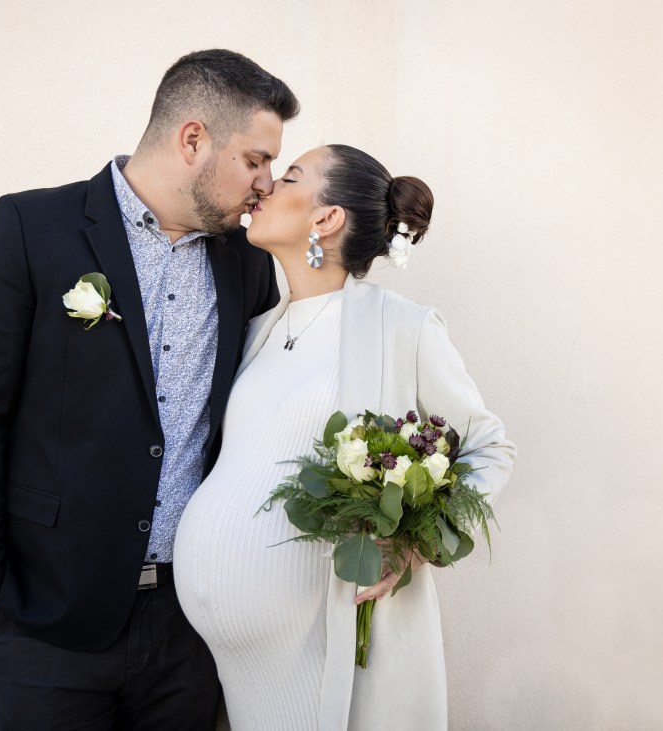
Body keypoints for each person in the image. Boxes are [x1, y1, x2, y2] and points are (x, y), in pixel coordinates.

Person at [0, 49, 299, 729]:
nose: (266, 184)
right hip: (43, 622)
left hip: (191, 628)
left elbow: (258, 422)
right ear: (193, 139)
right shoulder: (32, 228)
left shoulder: (248, 262)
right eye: (255, 160)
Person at [174, 144, 516, 730]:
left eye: (289, 178)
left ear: (327, 218)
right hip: (237, 668)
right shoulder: (260, 328)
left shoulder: (402, 328)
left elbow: (490, 445)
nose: (265, 187)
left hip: (320, 647)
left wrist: (416, 543)